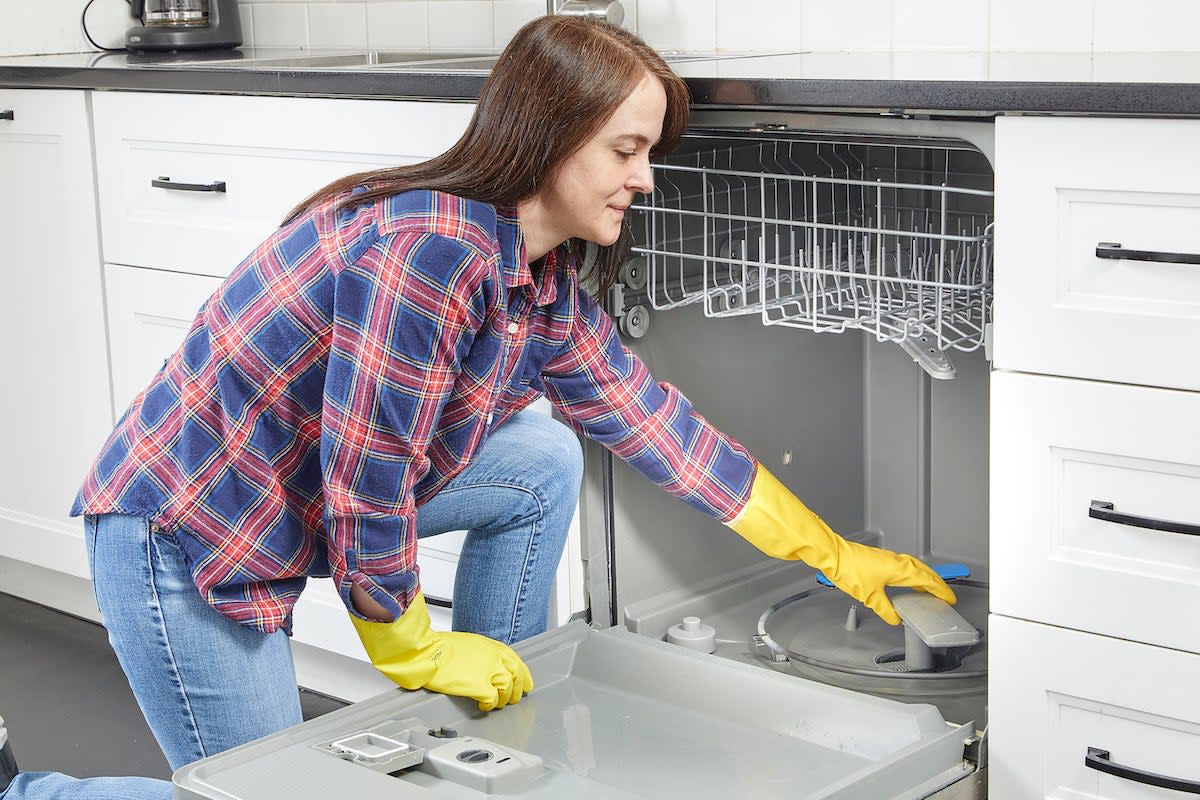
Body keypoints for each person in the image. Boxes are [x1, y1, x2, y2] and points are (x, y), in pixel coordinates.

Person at [1, 15, 955, 800]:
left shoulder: (538, 289)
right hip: (189, 536)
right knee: (263, 798)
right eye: (626, 149)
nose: (646, 178)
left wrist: (834, 553)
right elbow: (365, 476)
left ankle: (487, 728)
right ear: (549, 137)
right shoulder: (433, 252)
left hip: (289, 508)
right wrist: (412, 649)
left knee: (539, 462)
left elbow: (662, 427)